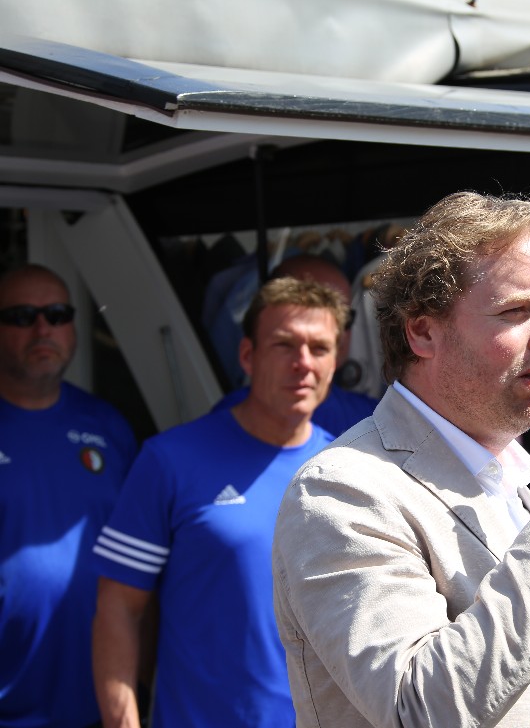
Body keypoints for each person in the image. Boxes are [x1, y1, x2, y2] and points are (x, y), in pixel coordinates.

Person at [272, 191, 530, 727]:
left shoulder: (508, 479)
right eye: (517, 311)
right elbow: (418, 709)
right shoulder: (343, 490)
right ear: (423, 331)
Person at [91, 277, 345, 727]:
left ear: (335, 361)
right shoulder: (170, 460)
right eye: (284, 345)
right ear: (247, 355)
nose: (303, 363)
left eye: (319, 348)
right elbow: (120, 607)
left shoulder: (350, 471)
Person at [0, 264, 137, 728]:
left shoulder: (109, 427)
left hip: (99, 705)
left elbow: (137, 566)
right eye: (22, 316)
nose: (43, 329)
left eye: (57, 314)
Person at [213, 254, 380, 434]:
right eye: (310, 307)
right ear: (247, 355)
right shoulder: (224, 426)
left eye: (345, 317)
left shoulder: (374, 419)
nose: (334, 328)